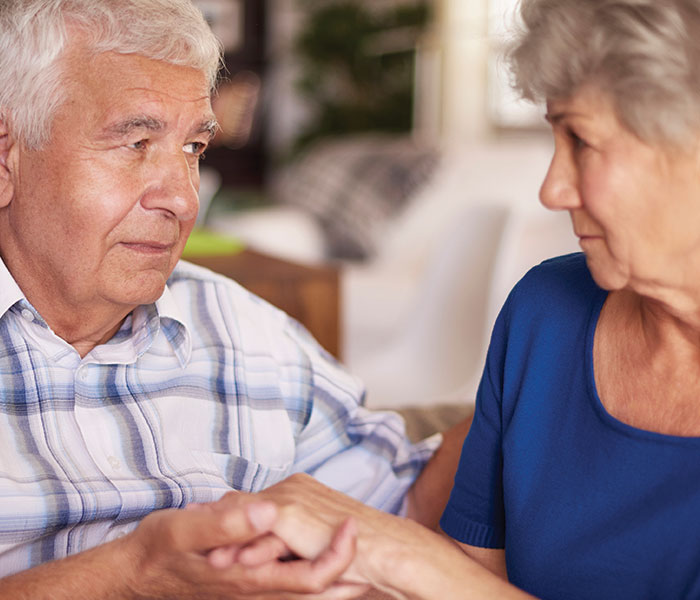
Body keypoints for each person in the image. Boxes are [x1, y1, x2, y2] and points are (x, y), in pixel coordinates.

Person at [0, 0, 470, 597]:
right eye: (135, 143)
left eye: (193, 149)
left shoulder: (244, 331)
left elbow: (401, 512)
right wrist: (128, 576)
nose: (181, 200)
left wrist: (528, 378)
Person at [240, 0, 700, 597]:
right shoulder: (545, 312)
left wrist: (402, 555)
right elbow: (471, 572)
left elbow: (445, 579)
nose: (551, 189)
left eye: (581, 140)